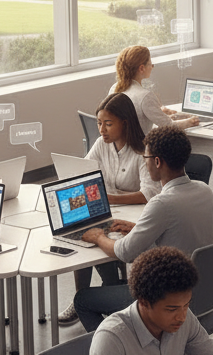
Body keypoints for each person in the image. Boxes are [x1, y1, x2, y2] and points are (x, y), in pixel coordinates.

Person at [74, 126, 213, 332]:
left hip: (164, 295)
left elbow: (125, 253)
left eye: (146, 157)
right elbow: (178, 229)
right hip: (200, 287)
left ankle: (117, 346)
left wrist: (98, 237)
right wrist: (139, 228)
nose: (145, 161)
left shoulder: (162, 203)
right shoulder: (205, 190)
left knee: (83, 300)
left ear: (157, 162)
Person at [59, 93, 162, 327]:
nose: (101, 130)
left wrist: (109, 199)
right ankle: (82, 297)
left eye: (108, 124)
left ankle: (107, 297)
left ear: (124, 123)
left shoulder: (142, 149)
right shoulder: (101, 145)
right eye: (99, 123)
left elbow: (149, 193)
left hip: (135, 217)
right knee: (84, 229)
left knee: (98, 239)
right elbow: (83, 173)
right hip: (108, 211)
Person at [90, 246, 213, 355]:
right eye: (171, 309)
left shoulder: (184, 317)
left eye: (186, 305)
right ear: (144, 302)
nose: (182, 317)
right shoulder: (111, 341)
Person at [110, 45, 199, 132]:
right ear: (141, 68)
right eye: (150, 64)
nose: (152, 67)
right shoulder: (145, 96)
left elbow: (138, 122)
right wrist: (191, 121)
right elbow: (170, 126)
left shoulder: (114, 88)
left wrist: (162, 116)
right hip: (141, 146)